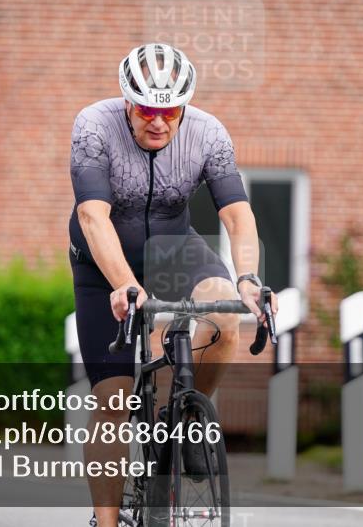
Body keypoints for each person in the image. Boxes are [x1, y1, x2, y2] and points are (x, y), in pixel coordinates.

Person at [69, 43, 278, 527]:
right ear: (127, 102)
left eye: (170, 111)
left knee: (224, 314)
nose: (158, 121)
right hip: (102, 263)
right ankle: (105, 521)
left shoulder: (208, 133)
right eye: (146, 109)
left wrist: (247, 276)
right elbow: (91, 214)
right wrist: (124, 283)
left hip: (173, 249)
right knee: (114, 399)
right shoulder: (93, 127)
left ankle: (185, 423)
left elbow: (236, 213)